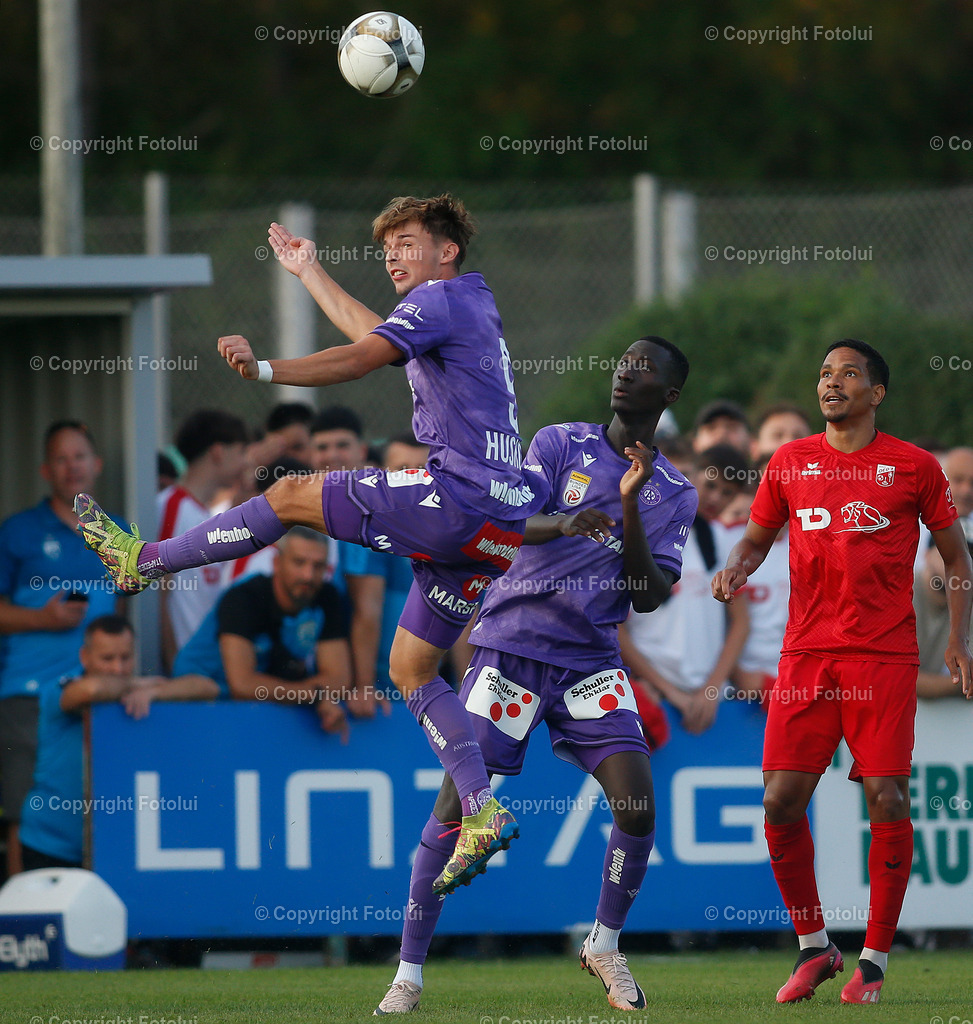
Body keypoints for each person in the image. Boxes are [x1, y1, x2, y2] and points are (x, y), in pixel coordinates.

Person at [77, 195, 539, 894]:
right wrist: (309, 273)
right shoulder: (458, 306)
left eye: (408, 243)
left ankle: (143, 561)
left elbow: (358, 359)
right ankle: (481, 809)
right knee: (413, 669)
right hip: (498, 526)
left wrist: (265, 371)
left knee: (292, 494)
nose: (393, 255)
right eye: (387, 245)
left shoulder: (443, 299)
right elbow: (377, 337)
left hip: (459, 497)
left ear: (447, 251)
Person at [374, 337, 697, 1014]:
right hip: (510, 648)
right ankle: (407, 973)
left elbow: (646, 593)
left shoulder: (672, 492)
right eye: (622, 360)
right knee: (454, 812)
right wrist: (565, 521)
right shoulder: (560, 444)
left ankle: (604, 943)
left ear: (667, 397)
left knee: (636, 805)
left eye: (641, 368)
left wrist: (630, 508)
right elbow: (508, 523)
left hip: (588, 659)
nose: (623, 371)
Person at [712, 339, 973, 1005]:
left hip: (883, 656)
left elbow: (954, 554)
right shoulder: (788, 463)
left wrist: (959, 640)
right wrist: (737, 565)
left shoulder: (913, 467)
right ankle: (813, 948)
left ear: (875, 393)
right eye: (824, 374)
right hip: (805, 656)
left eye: (846, 374)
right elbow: (756, 534)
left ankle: (874, 963)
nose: (830, 384)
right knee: (778, 801)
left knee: (884, 796)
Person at [0, 421, 121, 876]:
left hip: (98, 696)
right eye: (61, 458)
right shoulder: (18, 531)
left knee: (99, 806)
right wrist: (41, 619)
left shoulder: (115, 533)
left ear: (97, 465)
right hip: (28, 694)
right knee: (24, 810)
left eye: (80, 456)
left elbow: (123, 616)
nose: (72, 467)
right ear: (45, 470)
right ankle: (18, 932)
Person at [19, 615, 218, 871]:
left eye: (125, 658)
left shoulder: (138, 691)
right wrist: (137, 683)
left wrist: (155, 692)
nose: (118, 668)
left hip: (113, 846)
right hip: (51, 844)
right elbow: (91, 691)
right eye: (107, 659)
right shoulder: (61, 689)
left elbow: (206, 687)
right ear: (84, 657)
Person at [620, 445, 750, 734]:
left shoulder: (724, 541)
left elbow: (741, 623)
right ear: (690, 473)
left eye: (727, 493)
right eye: (711, 484)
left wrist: (712, 687)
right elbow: (616, 626)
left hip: (709, 700)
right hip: (652, 694)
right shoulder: (641, 535)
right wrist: (660, 687)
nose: (716, 497)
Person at [173, 527, 350, 737]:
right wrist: (316, 695)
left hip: (259, 700)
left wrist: (312, 694)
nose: (308, 575)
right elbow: (242, 685)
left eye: (318, 566)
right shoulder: (243, 597)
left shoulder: (328, 597)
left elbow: (338, 680)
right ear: (277, 562)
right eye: (299, 562)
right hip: (198, 696)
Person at [342, 434, 430, 718]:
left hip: (436, 685)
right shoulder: (370, 529)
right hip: (384, 690)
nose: (415, 478)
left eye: (424, 469)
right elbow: (367, 611)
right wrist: (365, 686)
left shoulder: (454, 529)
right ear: (379, 477)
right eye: (403, 469)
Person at [155, 409, 250, 668]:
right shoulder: (171, 507)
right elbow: (157, 590)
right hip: (184, 672)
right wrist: (174, 663)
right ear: (218, 451)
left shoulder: (206, 514)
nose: (245, 463)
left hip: (207, 670)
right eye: (241, 452)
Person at [914, 522, 973, 698]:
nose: (959, 565)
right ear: (926, 553)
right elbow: (888, 677)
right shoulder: (896, 592)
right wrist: (956, 685)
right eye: (948, 554)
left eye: (968, 559)